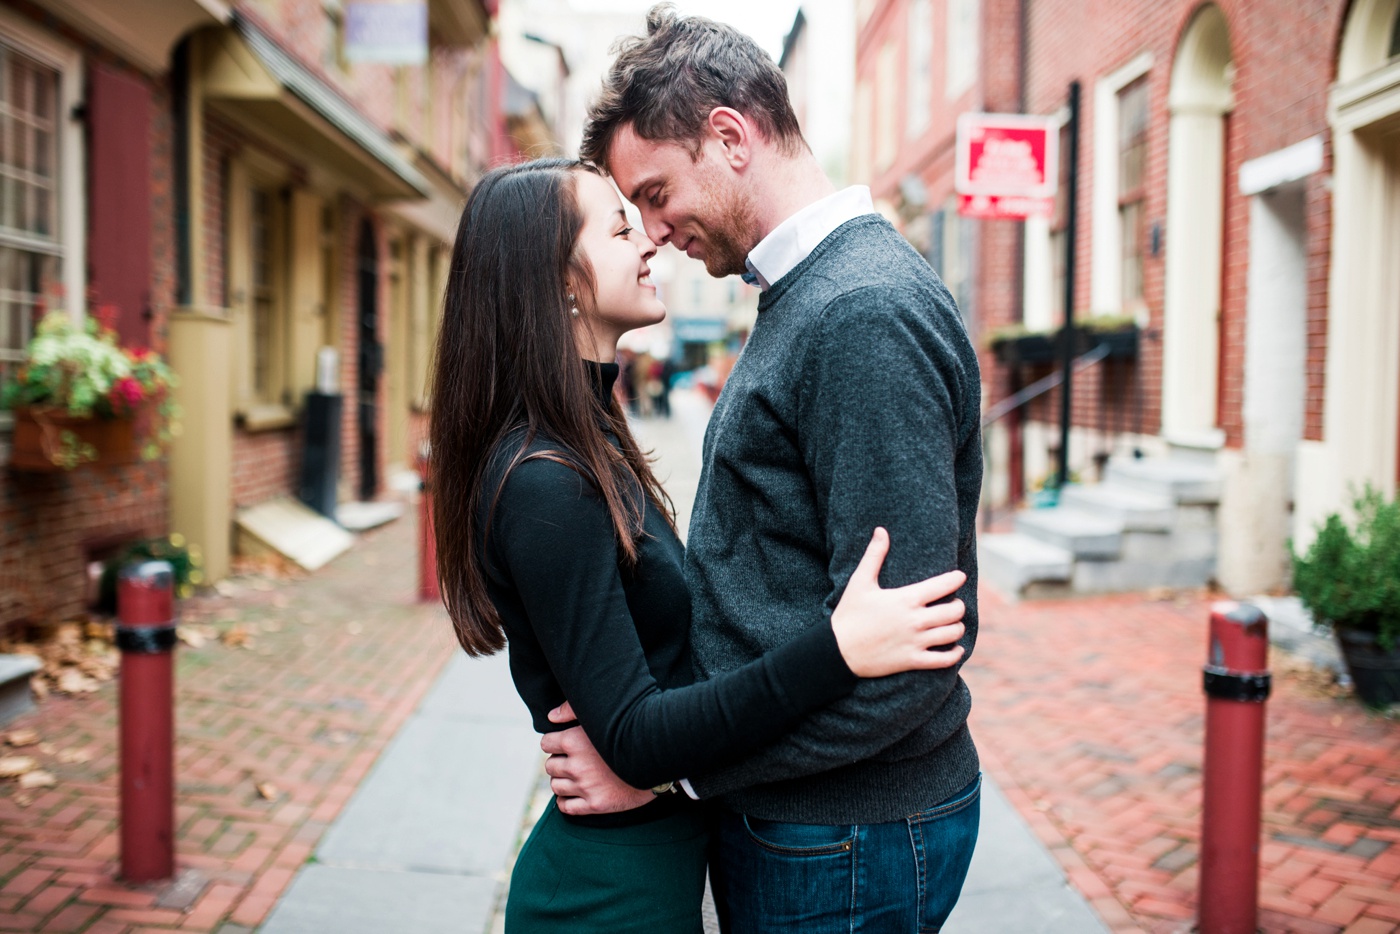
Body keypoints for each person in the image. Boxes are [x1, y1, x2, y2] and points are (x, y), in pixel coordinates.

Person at [427, 158, 972, 933]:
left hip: (654, 862)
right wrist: (838, 647)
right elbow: (638, 734)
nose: (648, 240)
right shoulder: (544, 482)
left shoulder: (587, 441)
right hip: (607, 895)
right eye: (620, 226)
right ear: (561, 283)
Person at [541, 6, 985, 932]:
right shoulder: (809, 295)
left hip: (843, 836)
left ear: (730, 137)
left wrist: (671, 767)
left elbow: (907, 660)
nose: (654, 233)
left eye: (656, 193)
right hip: (814, 825)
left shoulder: (860, 312)